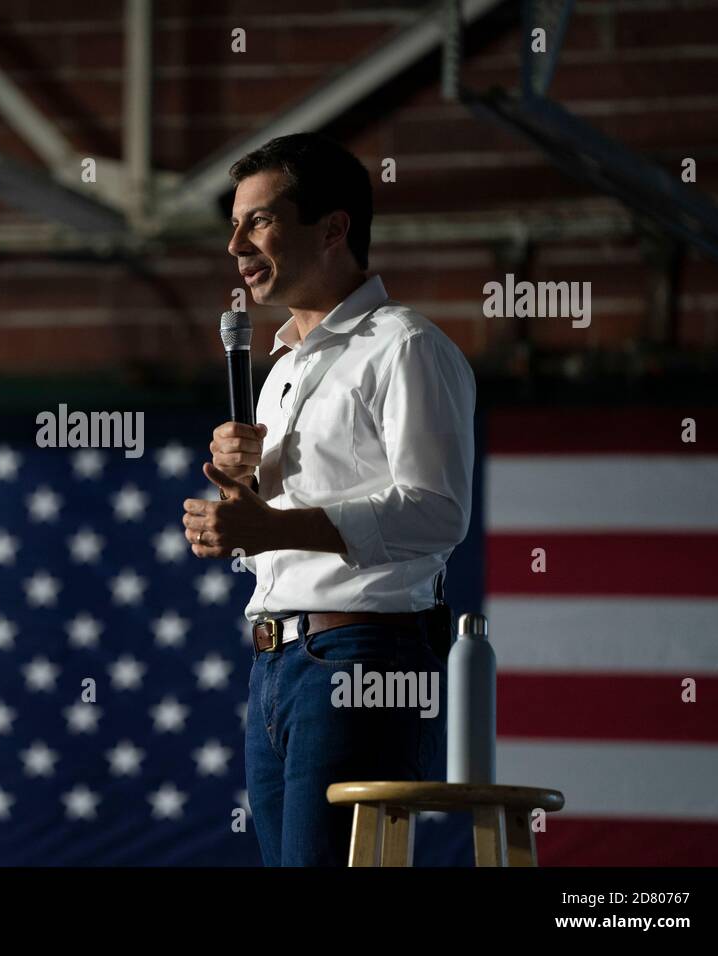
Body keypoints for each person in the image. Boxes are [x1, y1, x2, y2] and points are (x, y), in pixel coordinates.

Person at [180, 132, 476, 866]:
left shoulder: (404, 345)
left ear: (334, 228)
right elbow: (279, 539)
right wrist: (239, 507)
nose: (235, 246)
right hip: (276, 663)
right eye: (234, 224)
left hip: (363, 656)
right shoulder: (278, 373)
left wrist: (271, 522)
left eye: (259, 221)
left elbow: (439, 511)